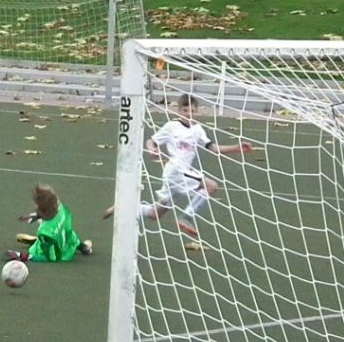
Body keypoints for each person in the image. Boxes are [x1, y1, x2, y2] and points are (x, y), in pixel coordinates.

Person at [103, 93, 252, 236]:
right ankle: (186, 217)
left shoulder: (197, 130)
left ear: (197, 112)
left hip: (179, 174)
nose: (189, 114)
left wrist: (237, 148)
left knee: (155, 214)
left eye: (192, 111)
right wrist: (152, 149)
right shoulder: (172, 126)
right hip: (176, 170)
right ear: (179, 111)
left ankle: (122, 208)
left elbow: (213, 148)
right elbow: (151, 141)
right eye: (185, 110)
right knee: (211, 186)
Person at [5, 183, 92, 262]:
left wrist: (22, 256)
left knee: (40, 247)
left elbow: (51, 258)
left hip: (61, 254)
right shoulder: (61, 209)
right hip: (69, 243)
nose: (35, 206)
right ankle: (83, 247)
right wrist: (36, 216)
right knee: (67, 234)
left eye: (37, 205)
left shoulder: (45, 233)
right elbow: (67, 230)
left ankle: (41, 243)